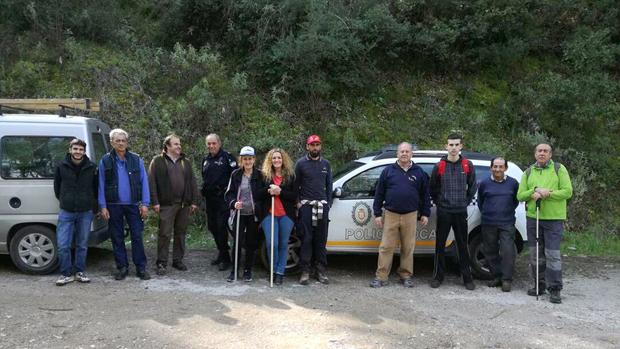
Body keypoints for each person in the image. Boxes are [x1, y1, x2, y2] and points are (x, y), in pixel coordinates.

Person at [370, 142, 431, 288]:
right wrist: (377, 213)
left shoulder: (419, 172)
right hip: (391, 213)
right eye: (401, 151)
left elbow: (425, 195)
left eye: (407, 151)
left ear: (411, 154)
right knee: (386, 247)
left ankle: (405, 275)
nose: (404, 154)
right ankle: (381, 277)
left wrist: (425, 213)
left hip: (411, 214)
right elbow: (379, 193)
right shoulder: (388, 171)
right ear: (397, 154)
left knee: (408, 247)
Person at [517, 143, 572, 304]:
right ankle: (538, 285)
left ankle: (555, 288)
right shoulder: (528, 172)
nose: (542, 153)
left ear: (550, 154)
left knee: (552, 254)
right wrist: (533, 191)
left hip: (554, 219)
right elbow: (520, 195)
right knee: (535, 254)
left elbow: (567, 191)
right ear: (535, 154)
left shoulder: (558, 169)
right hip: (534, 218)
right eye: (539, 151)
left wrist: (549, 193)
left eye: (545, 151)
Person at [98, 128, 151, 281]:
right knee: (116, 237)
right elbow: (101, 184)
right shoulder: (105, 160)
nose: (121, 143)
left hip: (134, 205)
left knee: (137, 236)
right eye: (118, 140)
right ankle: (122, 267)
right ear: (112, 142)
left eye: (123, 140)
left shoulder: (136, 159)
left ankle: (141, 268)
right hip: (113, 205)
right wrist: (103, 206)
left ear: (127, 142)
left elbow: (144, 182)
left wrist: (145, 203)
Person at [429, 132, 477, 290]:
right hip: (444, 211)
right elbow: (433, 188)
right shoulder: (439, 166)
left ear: (461, 146)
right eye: (451, 144)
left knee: (463, 245)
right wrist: (440, 203)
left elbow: (472, 187)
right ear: (446, 146)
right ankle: (438, 276)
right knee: (440, 245)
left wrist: (465, 202)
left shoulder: (467, 165)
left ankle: (467, 277)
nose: (454, 147)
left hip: (460, 211)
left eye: (457, 144)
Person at [148, 134, 201, 276]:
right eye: (176, 144)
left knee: (181, 233)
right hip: (166, 205)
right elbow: (152, 183)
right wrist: (155, 202)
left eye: (179, 144)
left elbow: (192, 182)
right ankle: (161, 263)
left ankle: (177, 260)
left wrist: (194, 201)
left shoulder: (186, 161)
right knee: (164, 234)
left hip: (184, 204)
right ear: (167, 146)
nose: (179, 146)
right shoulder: (157, 161)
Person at [53, 138, 98, 286]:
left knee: (82, 244)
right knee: (63, 245)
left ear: (84, 152)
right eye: (75, 149)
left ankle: (79, 272)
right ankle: (65, 274)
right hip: (67, 210)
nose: (78, 152)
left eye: (81, 149)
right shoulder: (61, 166)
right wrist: (65, 200)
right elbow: (57, 188)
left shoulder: (92, 167)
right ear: (70, 150)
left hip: (85, 211)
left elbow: (96, 189)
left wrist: (93, 207)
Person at [295, 134, 333, 285]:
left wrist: (328, 203)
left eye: (317, 145)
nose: (315, 147)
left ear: (320, 146)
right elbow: (295, 184)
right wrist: (298, 203)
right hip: (306, 206)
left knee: (321, 239)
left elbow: (329, 185)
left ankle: (320, 270)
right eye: (312, 145)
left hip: (321, 206)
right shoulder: (301, 164)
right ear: (307, 146)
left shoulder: (326, 164)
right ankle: (305, 270)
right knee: (306, 239)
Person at [477, 157, 519, 292]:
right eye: (495, 166)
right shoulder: (484, 183)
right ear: (491, 168)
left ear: (505, 168)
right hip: (488, 222)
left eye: (501, 167)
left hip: (507, 223)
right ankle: (496, 276)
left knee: (508, 251)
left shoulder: (513, 183)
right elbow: (480, 202)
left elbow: (515, 201)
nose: (498, 169)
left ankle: (506, 280)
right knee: (490, 251)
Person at [257, 148, 298, 285]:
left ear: (283, 159)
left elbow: (294, 196)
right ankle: (273, 270)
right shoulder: (264, 176)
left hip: (286, 215)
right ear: (270, 160)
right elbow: (257, 194)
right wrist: (269, 190)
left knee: (282, 244)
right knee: (272, 243)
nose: (276, 160)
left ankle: (280, 272)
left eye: (279, 158)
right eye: (274, 158)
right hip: (269, 214)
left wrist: (280, 192)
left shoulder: (290, 176)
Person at [224, 146, 262, 282]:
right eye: (245, 159)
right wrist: (234, 203)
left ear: (254, 159)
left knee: (251, 243)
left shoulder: (260, 175)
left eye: (250, 159)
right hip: (239, 214)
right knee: (237, 243)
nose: (248, 161)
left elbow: (263, 195)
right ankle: (234, 271)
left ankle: (247, 270)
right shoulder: (235, 174)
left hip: (253, 214)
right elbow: (229, 194)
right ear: (241, 160)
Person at [202, 133, 237, 271]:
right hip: (210, 200)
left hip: (223, 199)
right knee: (212, 227)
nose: (211, 146)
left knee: (221, 228)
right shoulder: (206, 159)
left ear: (219, 143)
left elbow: (236, 177)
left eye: (213, 143)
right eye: (209, 144)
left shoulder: (227, 157)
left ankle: (226, 259)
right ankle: (222, 253)